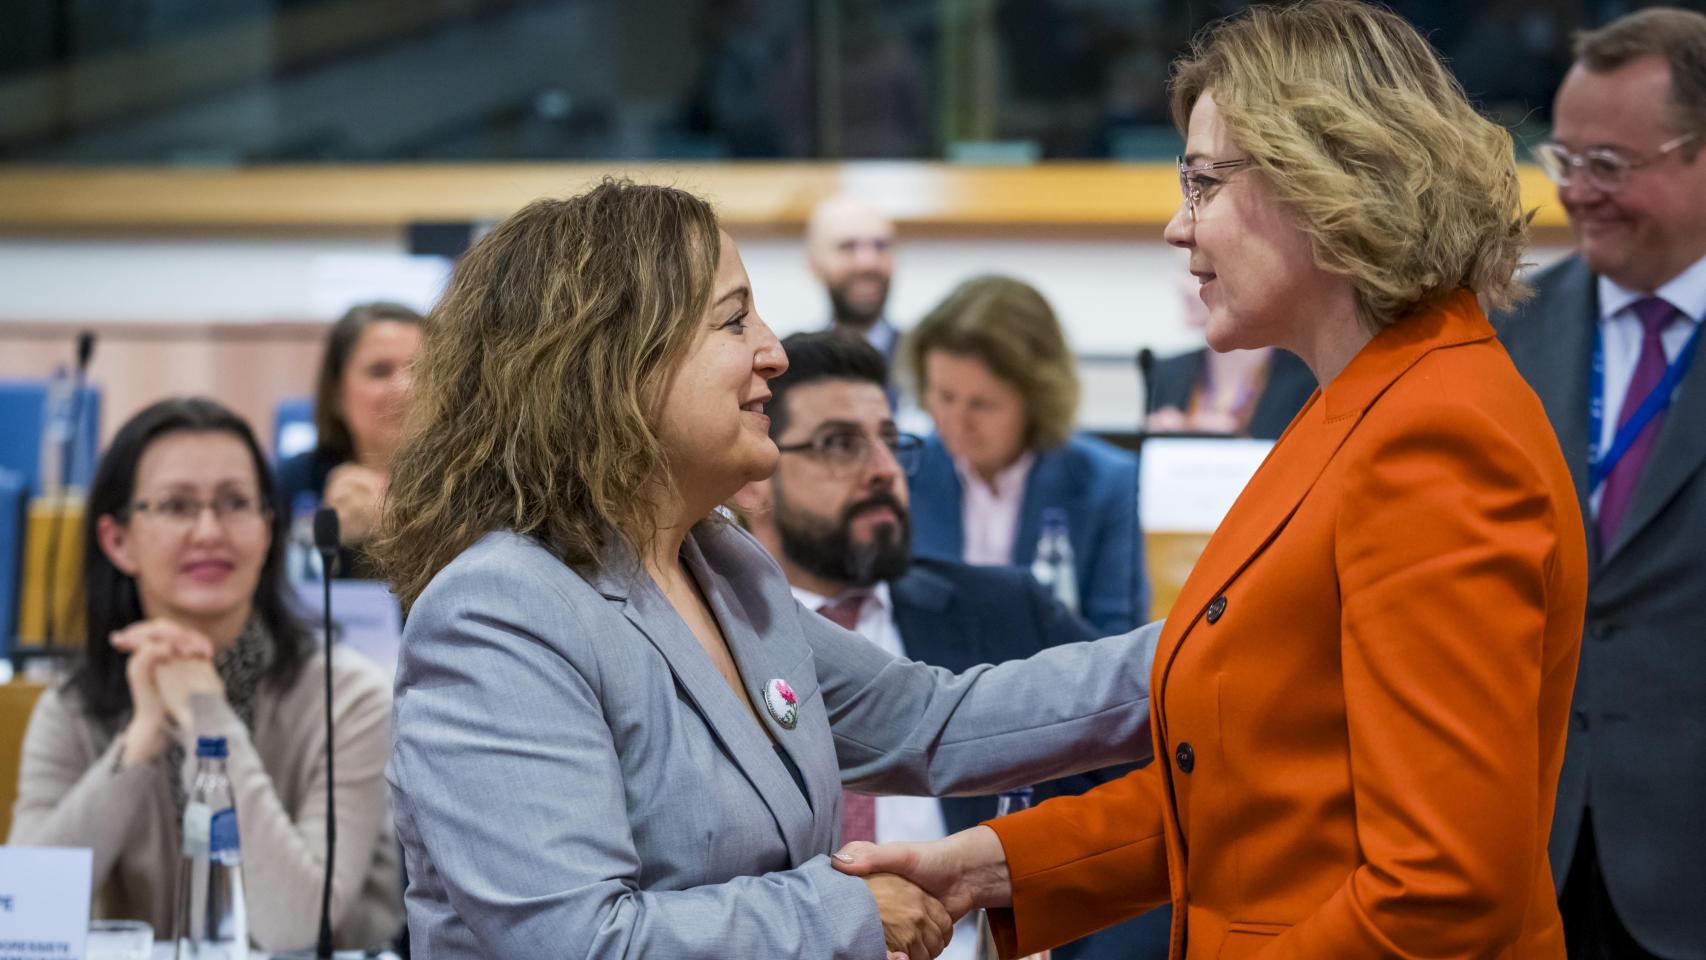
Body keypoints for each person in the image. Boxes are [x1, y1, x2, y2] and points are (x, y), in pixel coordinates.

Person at [834, 3, 1589, 957]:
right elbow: (1257, 785)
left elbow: (1441, 889)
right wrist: (993, 865)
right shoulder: (1360, 404)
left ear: (1329, 177)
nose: (1175, 227)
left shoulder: (1431, 435)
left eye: (1202, 183)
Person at [373, 180, 1160, 960]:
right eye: (734, 319)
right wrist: (846, 913)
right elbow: (580, 941)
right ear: (614, 365)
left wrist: (1207, 645)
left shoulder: (726, 570)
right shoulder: (498, 611)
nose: (775, 352)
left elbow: (932, 722)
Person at [742, 330, 1168, 960]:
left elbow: (1168, 783)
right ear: (754, 477)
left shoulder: (1005, 612)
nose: (884, 470)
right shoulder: (717, 637)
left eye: (891, 441)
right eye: (840, 445)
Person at [8, 397, 402, 951]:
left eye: (236, 503)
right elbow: (26, 917)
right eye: (176, 506)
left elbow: (293, 927)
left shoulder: (348, 696)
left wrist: (205, 714)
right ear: (116, 540)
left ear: (268, 529)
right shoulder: (74, 704)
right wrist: (140, 742)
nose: (209, 530)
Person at [1497, 9, 1706, 958]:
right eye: (1563, 160)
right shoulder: (1505, 334)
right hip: (1520, 855)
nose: (1578, 194)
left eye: (1610, 165)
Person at [906, 275, 1146, 635]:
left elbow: (1119, 647)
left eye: (982, 404)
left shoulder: (1109, 484)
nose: (956, 422)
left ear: (1036, 399)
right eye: (943, 396)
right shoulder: (903, 473)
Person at [276, 301, 422, 579]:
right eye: (380, 371)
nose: (406, 388)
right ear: (335, 394)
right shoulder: (294, 482)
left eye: (420, 369)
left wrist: (398, 533)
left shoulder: (473, 488)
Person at [1146, 259, 1315, 439]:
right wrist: (1154, 442)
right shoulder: (1166, 372)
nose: (1180, 286)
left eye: (1197, 274)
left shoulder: (1305, 375)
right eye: (1182, 272)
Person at [806, 194, 901, 362]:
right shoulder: (788, 365)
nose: (868, 263)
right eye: (848, 246)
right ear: (814, 264)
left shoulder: (931, 362)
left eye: (881, 246)